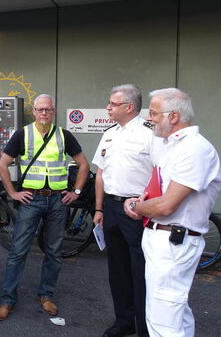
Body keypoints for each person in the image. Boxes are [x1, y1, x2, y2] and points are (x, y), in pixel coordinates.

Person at [124, 88, 221, 337]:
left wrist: (136, 206)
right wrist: (143, 201)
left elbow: (168, 205)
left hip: (173, 242)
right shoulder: (173, 147)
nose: (150, 117)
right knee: (172, 312)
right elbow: (160, 194)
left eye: (154, 113)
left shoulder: (194, 149)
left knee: (164, 319)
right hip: (163, 238)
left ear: (174, 116)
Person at [0, 94, 89, 321]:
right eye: (39, 109)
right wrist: (13, 192)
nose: (43, 113)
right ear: (33, 111)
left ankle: (46, 295)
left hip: (57, 200)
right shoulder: (23, 134)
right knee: (18, 251)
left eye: (47, 109)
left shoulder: (64, 135)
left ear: (53, 111)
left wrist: (76, 192)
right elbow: (3, 165)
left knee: (54, 252)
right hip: (31, 200)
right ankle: (8, 300)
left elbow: (84, 164)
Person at [92, 84, 153, 337]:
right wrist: (99, 208)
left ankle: (146, 327)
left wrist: (145, 203)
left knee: (141, 272)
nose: (108, 107)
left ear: (129, 107)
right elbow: (101, 175)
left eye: (113, 104)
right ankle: (123, 322)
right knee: (117, 271)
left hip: (137, 211)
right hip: (112, 208)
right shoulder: (109, 133)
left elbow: (161, 173)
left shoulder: (150, 133)